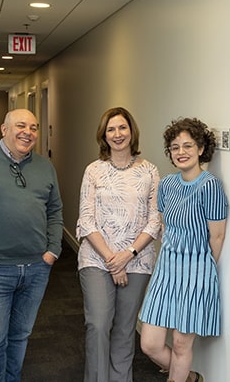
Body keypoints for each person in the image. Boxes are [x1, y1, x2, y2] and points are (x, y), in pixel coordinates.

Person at [0, 108, 64, 382]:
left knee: (20, 336)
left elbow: (55, 211)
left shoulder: (45, 167)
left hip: (36, 268)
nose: (27, 132)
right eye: (20, 126)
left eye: (33, 127)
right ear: (4, 129)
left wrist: (53, 250)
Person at [139, 117, 228, 382]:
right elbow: (167, 227)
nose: (181, 152)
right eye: (175, 147)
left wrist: (200, 273)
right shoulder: (167, 184)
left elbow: (218, 236)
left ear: (201, 149)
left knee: (180, 344)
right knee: (150, 343)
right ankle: (189, 378)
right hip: (166, 273)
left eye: (188, 146)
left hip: (196, 275)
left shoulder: (210, 186)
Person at [76, 107, 162, 382]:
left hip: (137, 260)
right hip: (97, 258)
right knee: (98, 324)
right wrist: (113, 260)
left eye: (122, 128)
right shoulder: (94, 171)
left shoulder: (149, 171)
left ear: (131, 131)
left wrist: (128, 255)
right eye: (111, 129)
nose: (117, 134)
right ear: (103, 135)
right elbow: (86, 220)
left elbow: (155, 219)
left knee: (125, 329)